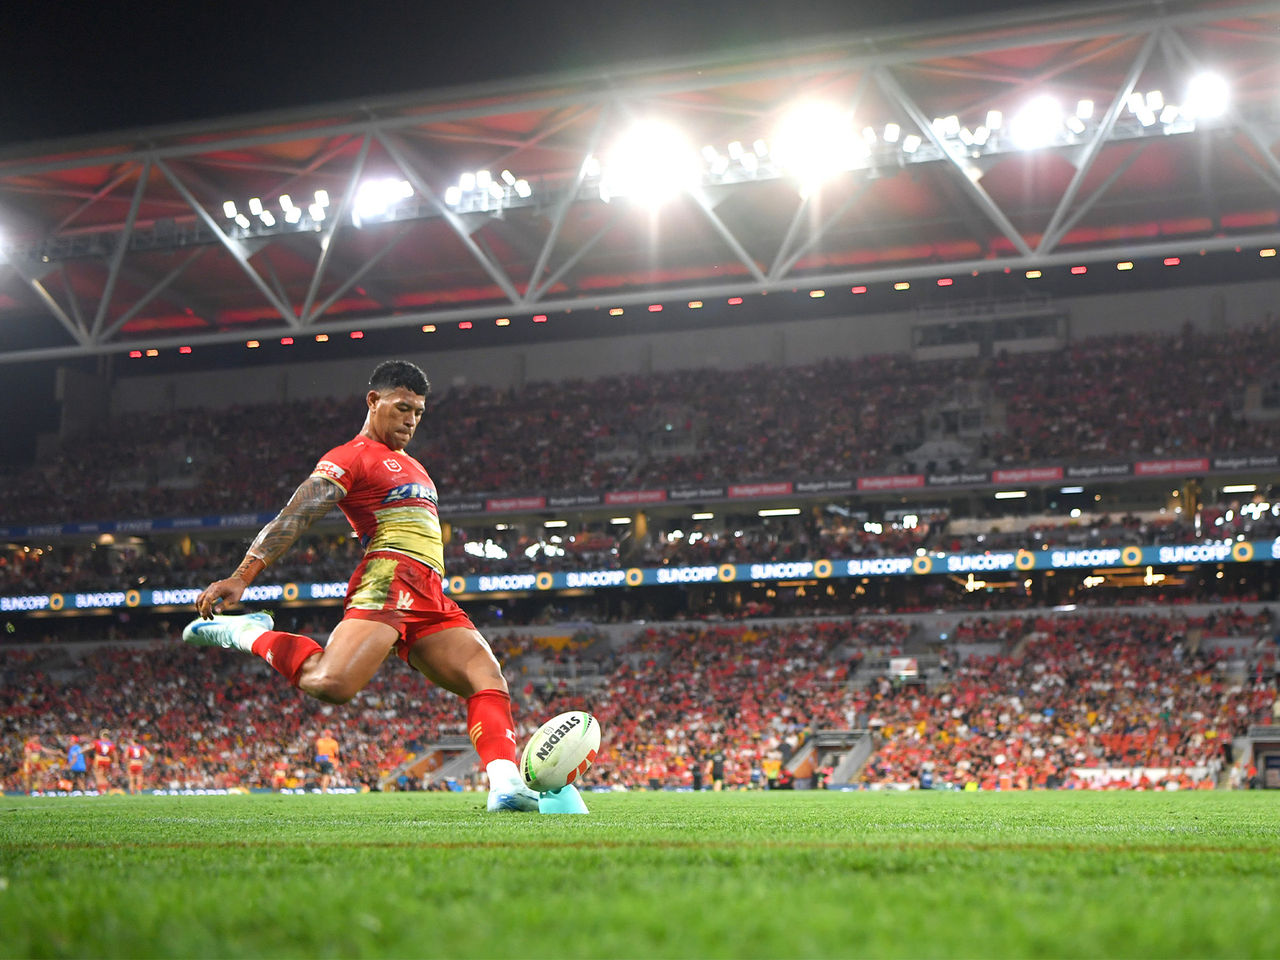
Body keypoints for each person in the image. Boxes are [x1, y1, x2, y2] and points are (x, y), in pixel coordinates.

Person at [183, 360, 539, 812]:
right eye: (403, 407)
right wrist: (242, 576)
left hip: (430, 589)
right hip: (389, 577)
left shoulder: (417, 467)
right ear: (374, 401)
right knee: (333, 684)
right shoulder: (349, 456)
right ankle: (247, 633)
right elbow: (296, 515)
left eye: (419, 412)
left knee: (486, 678)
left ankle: (505, 785)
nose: (411, 420)